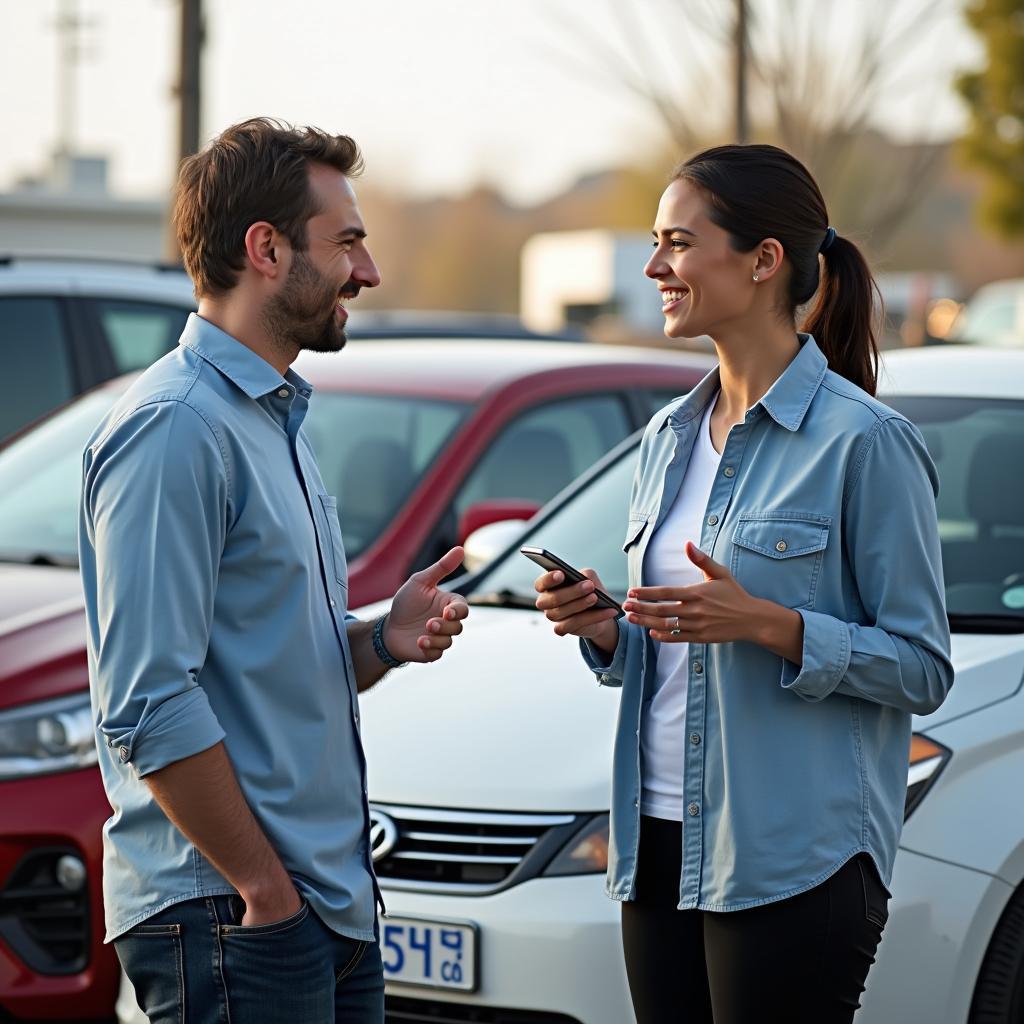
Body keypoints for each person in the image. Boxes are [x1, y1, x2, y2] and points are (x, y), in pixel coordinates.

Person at [533, 144, 953, 1024]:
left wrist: (774, 625)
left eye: (678, 243)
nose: (655, 266)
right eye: (655, 243)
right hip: (652, 840)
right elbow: (676, 648)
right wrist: (607, 631)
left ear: (763, 261)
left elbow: (922, 667)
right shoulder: (666, 439)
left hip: (795, 853)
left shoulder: (865, 444)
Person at [79, 118, 469, 1024]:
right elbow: (146, 699)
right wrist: (265, 893)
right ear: (265, 249)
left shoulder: (267, 420)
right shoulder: (178, 428)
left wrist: (379, 640)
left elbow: (259, 660)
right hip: (237, 914)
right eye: (348, 243)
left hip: (319, 908)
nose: (366, 274)